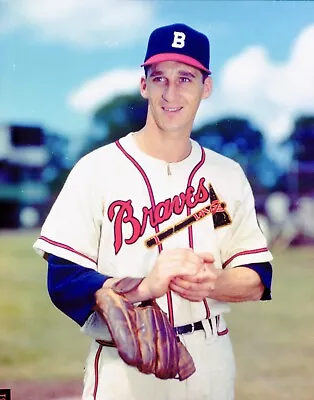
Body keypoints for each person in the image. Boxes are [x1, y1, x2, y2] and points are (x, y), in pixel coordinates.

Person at [33, 23, 273, 400]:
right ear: (144, 85)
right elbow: (62, 277)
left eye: (186, 78)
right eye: (159, 78)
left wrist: (212, 284)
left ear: (205, 88)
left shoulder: (227, 176)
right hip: (124, 364)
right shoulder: (96, 169)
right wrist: (145, 288)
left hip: (210, 358)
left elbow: (258, 274)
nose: (171, 92)